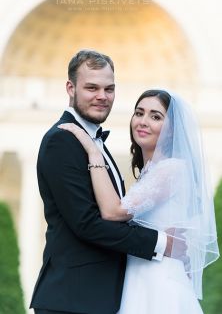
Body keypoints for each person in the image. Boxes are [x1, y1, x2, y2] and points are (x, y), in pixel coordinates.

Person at [30, 51, 181, 314]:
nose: (102, 96)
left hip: (102, 298)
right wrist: (161, 242)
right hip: (72, 299)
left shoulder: (96, 143)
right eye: (92, 88)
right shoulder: (61, 140)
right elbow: (87, 223)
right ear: (70, 88)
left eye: (109, 89)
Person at [59, 89, 220, 313]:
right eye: (139, 113)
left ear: (173, 130)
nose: (143, 122)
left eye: (156, 117)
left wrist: (94, 153)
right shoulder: (151, 171)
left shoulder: (171, 169)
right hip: (140, 278)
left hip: (158, 283)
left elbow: (113, 212)